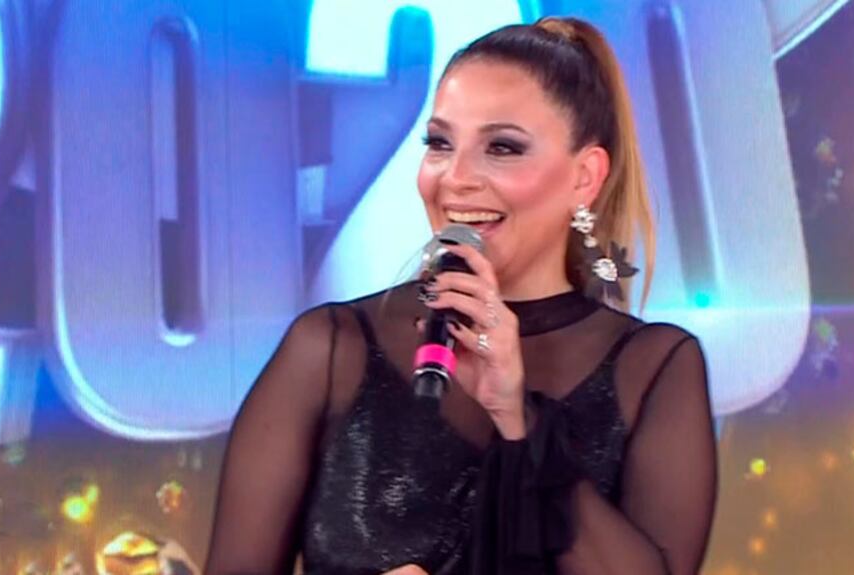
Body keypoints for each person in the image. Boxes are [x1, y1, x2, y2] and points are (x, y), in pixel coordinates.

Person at [205, 16, 716, 575]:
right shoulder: (331, 348)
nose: (455, 177)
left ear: (585, 177)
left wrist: (518, 416)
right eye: (440, 143)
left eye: (502, 147)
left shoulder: (654, 367)